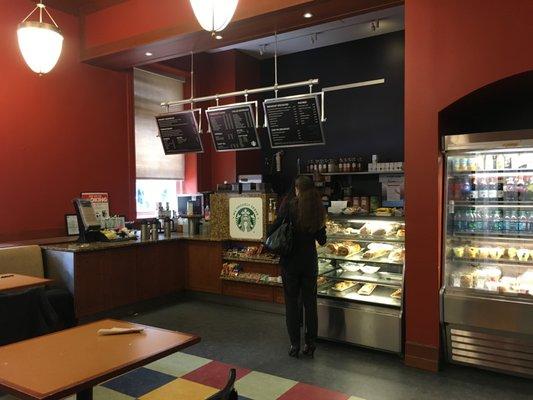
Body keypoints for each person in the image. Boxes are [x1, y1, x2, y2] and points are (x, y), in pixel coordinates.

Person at [268, 175, 326, 358]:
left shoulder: (289, 206)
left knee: (292, 304)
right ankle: (311, 344)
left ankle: (294, 344)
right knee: (310, 304)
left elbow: (273, 229)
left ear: (297, 189)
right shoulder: (318, 208)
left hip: (290, 262)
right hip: (310, 263)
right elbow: (322, 240)